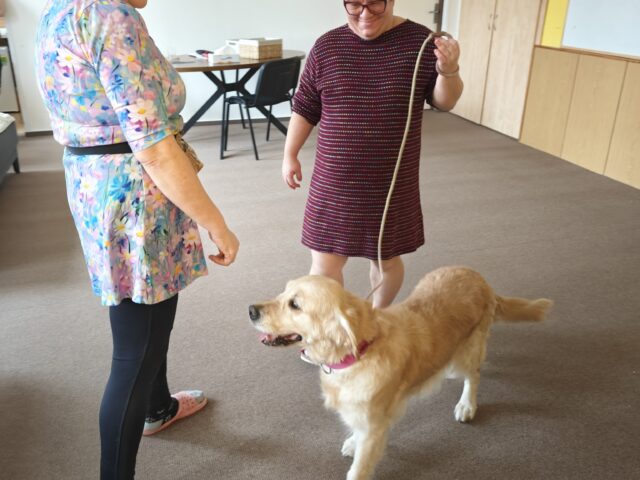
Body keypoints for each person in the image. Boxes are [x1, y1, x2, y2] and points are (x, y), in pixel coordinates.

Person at [35, 0, 239, 478]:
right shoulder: (110, 15)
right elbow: (154, 147)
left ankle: (158, 406)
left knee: (145, 311)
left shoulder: (58, 10)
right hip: (133, 195)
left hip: (93, 183)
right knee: (136, 348)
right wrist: (215, 221)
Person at [282, 0, 463, 308]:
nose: (365, 15)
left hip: (390, 181)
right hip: (334, 180)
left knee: (386, 260)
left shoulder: (420, 42)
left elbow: (444, 102)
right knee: (324, 263)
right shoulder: (327, 47)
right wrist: (290, 153)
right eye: (354, 5)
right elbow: (305, 105)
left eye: (375, 4)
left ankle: (378, 318)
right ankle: (330, 326)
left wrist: (449, 71)